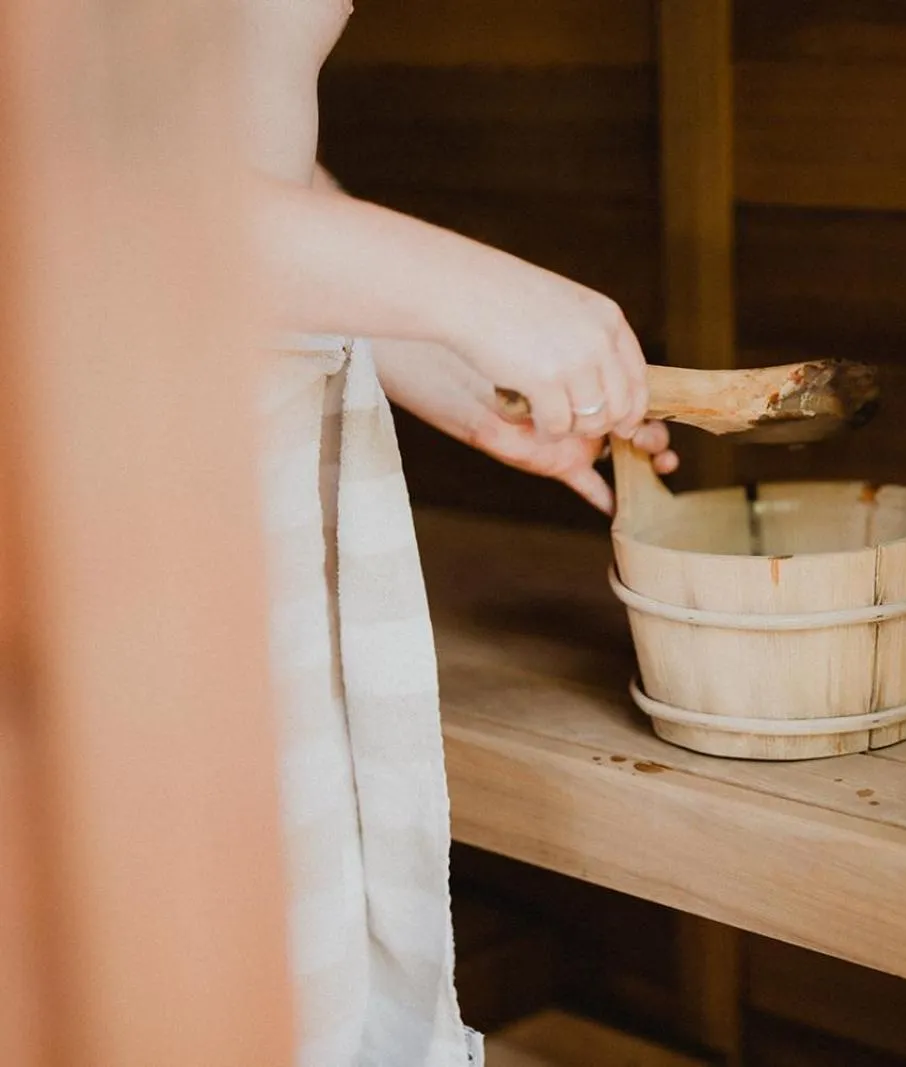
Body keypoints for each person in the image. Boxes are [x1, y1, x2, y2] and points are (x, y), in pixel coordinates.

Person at [242, 2, 677, 1064]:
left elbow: (246, 151)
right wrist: (470, 288)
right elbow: (68, 187)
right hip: (103, 498)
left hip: (246, 492)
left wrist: (454, 372)